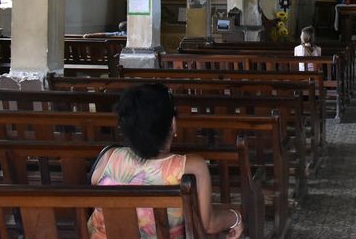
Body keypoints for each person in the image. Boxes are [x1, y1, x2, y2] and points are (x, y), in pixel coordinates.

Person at [88, 83, 243, 239]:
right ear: (173, 124)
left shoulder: (109, 157)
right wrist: (235, 218)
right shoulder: (192, 167)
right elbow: (208, 224)